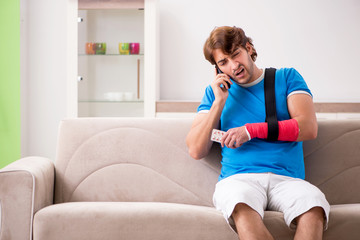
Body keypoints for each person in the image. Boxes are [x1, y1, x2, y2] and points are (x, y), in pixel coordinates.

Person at [186, 26, 330, 240]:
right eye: (223, 62)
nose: (234, 66)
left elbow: (308, 127)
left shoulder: (287, 77)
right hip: (239, 179)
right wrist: (219, 103)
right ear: (217, 68)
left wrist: (250, 131)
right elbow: (196, 149)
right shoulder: (214, 94)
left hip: (287, 180)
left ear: (249, 48)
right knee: (241, 205)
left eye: (236, 55)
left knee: (314, 206)